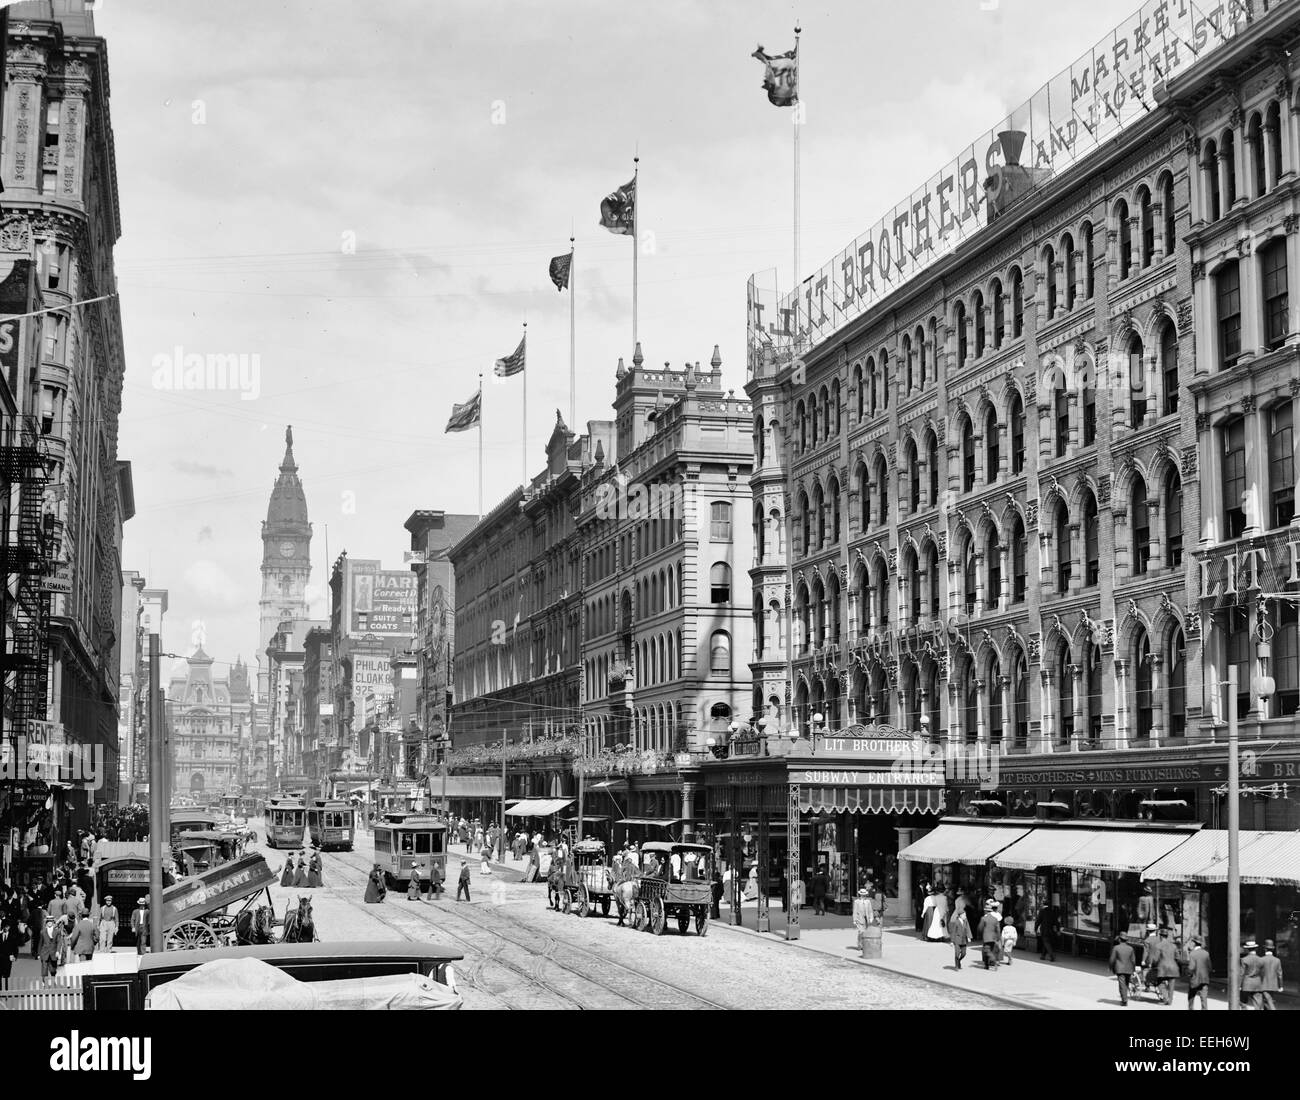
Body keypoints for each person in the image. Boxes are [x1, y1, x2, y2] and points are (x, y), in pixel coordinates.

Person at [1153, 927, 1182, 1005]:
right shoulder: (1174, 946)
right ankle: (1170, 1001)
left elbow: (1155, 959)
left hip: (1163, 968)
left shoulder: (1158, 945)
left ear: (1161, 936)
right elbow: (1178, 958)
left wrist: (1154, 964)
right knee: (1171, 985)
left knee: (1159, 983)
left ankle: (1166, 998)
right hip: (1173, 967)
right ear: (1167, 936)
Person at [1110, 932, 1137, 1006]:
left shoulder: (1116, 948)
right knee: (1126, 984)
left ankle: (1124, 1000)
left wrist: (1111, 967)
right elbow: (1133, 960)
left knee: (1122, 984)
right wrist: (1133, 969)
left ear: (1119, 939)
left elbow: (1112, 959)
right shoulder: (1130, 948)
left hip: (1120, 969)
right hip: (1129, 969)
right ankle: (1124, 998)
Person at [1186, 936, 1212, 1010]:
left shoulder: (1192, 954)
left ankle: (1191, 1008)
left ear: (1194, 943)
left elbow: (1191, 967)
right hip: (1204, 979)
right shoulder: (1206, 953)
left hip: (1195, 979)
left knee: (1191, 996)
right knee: (1204, 998)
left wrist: (1189, 973)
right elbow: (1210, 967)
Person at [1240, 940, 1265, 1009]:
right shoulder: (1261, 959)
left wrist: (1239, 985)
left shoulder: (1244, 959)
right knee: (1258, 1004)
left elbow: (1241, 973)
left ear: (1247, 949)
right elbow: (1263, 973)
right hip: (1257, 983)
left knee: (1243, 1002)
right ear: (1255, 948)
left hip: (1246, 983)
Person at [978, 901, 1002, 970]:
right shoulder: (995, 919)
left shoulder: (983, 918)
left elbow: (980, 928)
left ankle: (992, 962)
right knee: (991, 950)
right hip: (993, 937)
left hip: (986, 937)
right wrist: (998, 937)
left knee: (986, 951)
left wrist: (979, 935)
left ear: (986, 911)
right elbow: (998, 929)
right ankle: (988, 965)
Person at [1260, 940, 1282, 1010]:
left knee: (1268, 1002)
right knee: (1267, 1001)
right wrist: (1280, 986)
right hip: (1273, 985)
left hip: (1263, 985)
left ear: (1265, 949)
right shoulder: (1277, 960)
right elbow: (1280, 974)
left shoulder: (1261, 960)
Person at [948, 902, 971, 969]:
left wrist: (969, 936)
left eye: (965, 915)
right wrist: (952, 941)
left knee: (964, 953)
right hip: (957, 940)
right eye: (964, 915)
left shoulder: (965, 921)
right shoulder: (956, 922)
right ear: (960, 915)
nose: (965, 916)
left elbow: (968, 928)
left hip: (963, 940)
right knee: (957, 953)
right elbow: (953, 932)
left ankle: (959, 961)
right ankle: (956, 965)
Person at [851, 888, 875, 955]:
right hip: (859, 918)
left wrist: (871, 918)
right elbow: (855, 911)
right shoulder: (856, 902)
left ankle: (864, 945)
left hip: (866, 919)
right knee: (861, 931)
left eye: (864, 895)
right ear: (860, 894)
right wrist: (854, 919)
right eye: (862, 894)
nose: (863, 896)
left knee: (865, 933)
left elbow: (870, 911)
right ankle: (859, 944)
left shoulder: (868, 901)